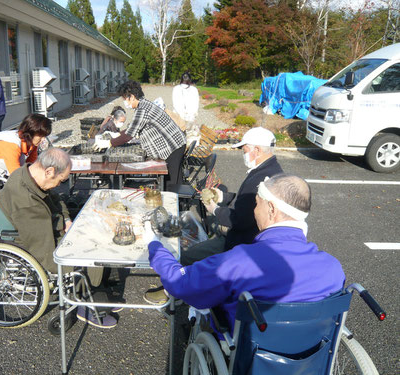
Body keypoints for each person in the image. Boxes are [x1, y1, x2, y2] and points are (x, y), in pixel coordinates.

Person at [146, 173, 346, 338]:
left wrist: (156, 247)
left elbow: (181, 283)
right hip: (308, 355)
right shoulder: (333, 267)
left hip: (250, 350)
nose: (254, 210)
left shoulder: (241, 261)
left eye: (257, 203)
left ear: (271, 209)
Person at [144, 127, 283, 304]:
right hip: (246, 241)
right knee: (195, 253)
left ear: (257, 149)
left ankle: (174, 292)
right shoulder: (271, 170)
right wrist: (225, 197)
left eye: (245, 149)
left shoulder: (260, 178)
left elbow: (239, 220)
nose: (243, 153)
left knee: (188, 256)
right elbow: (247, 202)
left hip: (240, 244)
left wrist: (215, 209)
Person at [0, 148, 116, 328]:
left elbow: (57, 199)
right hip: (36, 246)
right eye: (61, 180)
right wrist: (75, 236)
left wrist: (67, 219)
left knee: (94, 233)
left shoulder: (28, 174)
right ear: (49, 171)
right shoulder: (26, 202)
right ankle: (85, 303)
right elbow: (44, 249)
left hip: (41, 231)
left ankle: (97, 289)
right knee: (93, 250)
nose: (60, 184)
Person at [93, 80, 187, 187]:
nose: (126, 102)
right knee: (173, 180)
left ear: (132, 97)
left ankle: (176, 201)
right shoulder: (144, 105)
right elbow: (133, 127)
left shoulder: (142, 109)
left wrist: (109, 143)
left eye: (125, 99)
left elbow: (129, 135)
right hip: (175, 143)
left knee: (171, 182)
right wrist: (117, 136)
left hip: (173, 146)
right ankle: (180, 201)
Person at [0, 113, 52, 197]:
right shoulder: (12, 145)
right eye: (41, 136)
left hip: (0, 162)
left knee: (11, 192)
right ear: (30, 131)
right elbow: (16, 174)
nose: (43, 139)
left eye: (45, 136)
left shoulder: (32, 142)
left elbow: (31, 166)